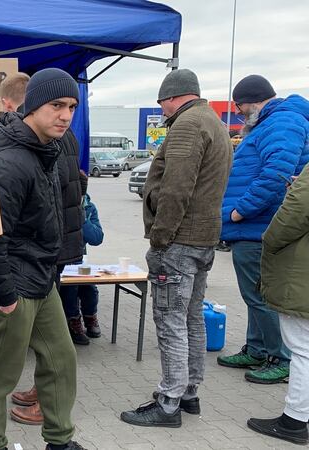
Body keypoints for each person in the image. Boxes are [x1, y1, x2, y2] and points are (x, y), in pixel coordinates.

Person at [0, 68, 83, 450]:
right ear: (33, 106)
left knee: (61, 361)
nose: (65, 115)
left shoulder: (44, 151)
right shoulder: (11, 162)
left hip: (41, 279)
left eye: (71, 106)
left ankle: (59, 440)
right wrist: (4, 294)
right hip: (11, 287)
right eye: (56, 105)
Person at [120, 69, 232, 428]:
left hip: (179, 242)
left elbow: (176, 188)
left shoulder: (187, 125)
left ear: (172, 97)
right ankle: (189, 393)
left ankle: (168, 403)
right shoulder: (213, 123)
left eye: (161, 101)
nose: (161, 108)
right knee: (192, 317)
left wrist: (160, 236)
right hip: (203, 239)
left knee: (170, 322)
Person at [216, 75, 309, 385]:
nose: (240, 115)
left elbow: (275, 174)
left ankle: (280, 357)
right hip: (253, 227)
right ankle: (257, 349)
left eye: (240, 109)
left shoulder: (282, 122)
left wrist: (239, 212)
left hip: (258, 226)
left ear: (253, 102)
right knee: (252, 294)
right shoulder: (274, 122)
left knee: (260, 295)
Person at [247, 164, 309, 445]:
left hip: (302, 273)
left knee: (302, 349)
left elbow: (294, 215)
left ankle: (294, 420)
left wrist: (268, 241)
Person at [59, 172, 104, 345]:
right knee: (71, 287)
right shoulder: (59, 207)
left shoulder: (89, 208)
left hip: (79, 260)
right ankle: (73, 320)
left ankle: (90, 317)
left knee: (90, 287)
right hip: (61, 260)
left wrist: (82, 217)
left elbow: (96, 238)